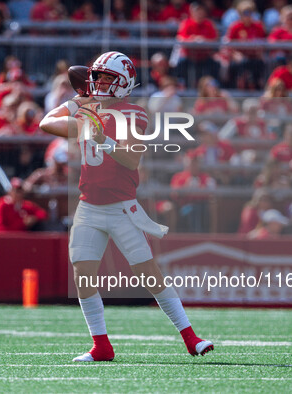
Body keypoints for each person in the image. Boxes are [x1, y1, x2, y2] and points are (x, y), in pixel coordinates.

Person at [39, 51, 214, 362]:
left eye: (108, 78)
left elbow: (131, 158)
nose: (101, 82)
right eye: (98, 77)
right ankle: (101, 346)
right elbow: (46, 123)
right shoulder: (86, 111)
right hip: (89, 206)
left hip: (122, 206)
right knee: (83, 275)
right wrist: (78, 102)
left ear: (124, 83)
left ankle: (191, 338)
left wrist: (100, 135)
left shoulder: (134, 113)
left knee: (148, 273)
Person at [175, 2, 220, 84]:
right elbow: (180, 39)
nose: (199, 14)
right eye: (197, 11)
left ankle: (214, 88)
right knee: (179, 64)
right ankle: (182, 87)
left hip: (205, 57)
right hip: (189, 57)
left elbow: (215, 40)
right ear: (192, 12)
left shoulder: (209, 24)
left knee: (216, 64)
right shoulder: (186, 23)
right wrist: (193, 40)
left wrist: (204, 40)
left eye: (201, 11)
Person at [224, 0, 266, 89]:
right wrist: (234, 54)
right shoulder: (234, 27)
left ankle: (255, 87)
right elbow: (228, 45)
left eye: (250, 13)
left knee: (259, 63)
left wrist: (259, 52)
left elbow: (263, 43)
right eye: (245, 13)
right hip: (239, 58)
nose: (247, 16)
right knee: (241, 63)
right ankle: (239, 87)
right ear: (240, 14)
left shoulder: (258, 26)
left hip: (254, 57)